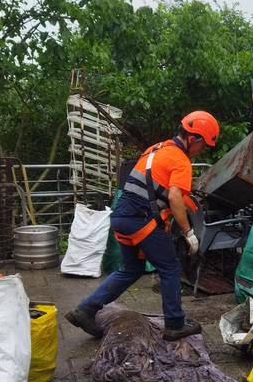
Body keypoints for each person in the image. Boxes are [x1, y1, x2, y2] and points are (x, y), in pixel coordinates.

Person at [65, 111, 219, 341]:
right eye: (203, 146)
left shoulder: (155, 149)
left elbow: (155, 189)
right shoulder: (180, 160)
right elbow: (175, 197)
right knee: (170, 268)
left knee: (131, 269)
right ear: (193, 138)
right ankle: (175, 324)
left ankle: (86, 310)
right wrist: (188, 232)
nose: (201, 151)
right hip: (141, 220)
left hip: (121, 216)